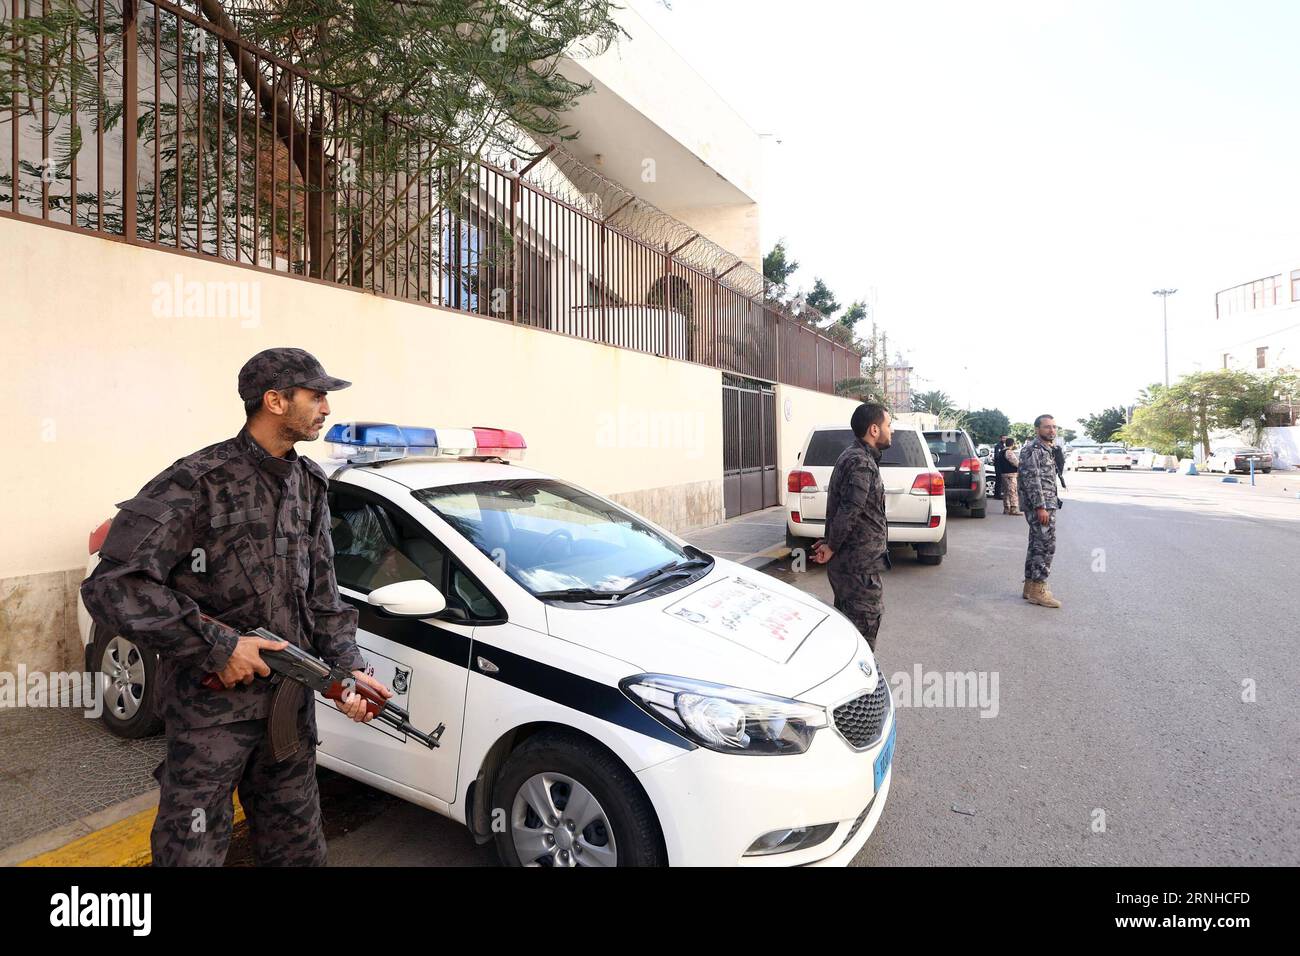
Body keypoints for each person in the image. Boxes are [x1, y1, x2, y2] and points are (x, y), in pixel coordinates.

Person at [80, 347, 393, 866]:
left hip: (287, 713)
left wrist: (349, 671)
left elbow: (323, 597)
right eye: (316, 396)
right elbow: (113, 585)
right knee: (192, 852)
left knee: (297, 852)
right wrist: (220, 645)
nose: (326, 408)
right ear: (274, 400)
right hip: (211, 717)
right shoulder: (197, 481)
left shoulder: (310, 484)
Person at [811, 403, 892, 652]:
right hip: (857, 569)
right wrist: (832, 546)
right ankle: (862, 686)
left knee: (849, 628)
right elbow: (849, 510)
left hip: (855, 566)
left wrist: (830, 544)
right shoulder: (860, 462)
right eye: (889, 425)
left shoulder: (856, 456)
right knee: (861, 635)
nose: (892, 431)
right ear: (874, 429)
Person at [1017, 414, 1062, 608]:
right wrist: (1040, 507)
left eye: (1054, 427)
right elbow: (1032, 480)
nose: (1051, 430)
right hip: (1041, 506)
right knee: (1045, 546)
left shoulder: (1047, 449)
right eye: (1047, 427)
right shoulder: (1032, 450)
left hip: (1047, 503)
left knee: (1036, 545)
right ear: (1037, 429)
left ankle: (1030, 587)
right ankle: (1039, 589)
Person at [1002, 437, 1021, 515]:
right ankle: (1013, 509)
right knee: (1013, 491)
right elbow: (1015, 462)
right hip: (1010, 474)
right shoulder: (1009, 452)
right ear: (1012, 444)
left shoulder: (1002, 451)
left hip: (1003, 474)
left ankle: (1006, 508)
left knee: (1006, 492)